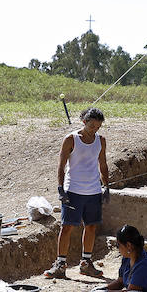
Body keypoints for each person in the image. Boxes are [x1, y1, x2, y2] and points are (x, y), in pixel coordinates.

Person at [44, 107, 111, 279]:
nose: (95, 130)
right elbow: (61, 165)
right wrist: (60, 188)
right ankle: (60, 264)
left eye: (98, 127)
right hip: (73, 189)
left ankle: (86, 263)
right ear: (84, 122)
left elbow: (103, 164)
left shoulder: (100, 140)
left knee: (91, 226)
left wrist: (106, 186)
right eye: (92, 126)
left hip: (93, 191)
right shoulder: (71, 139)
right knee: (67, 227)